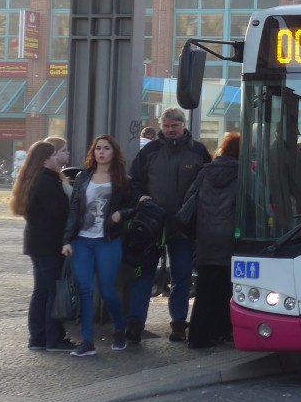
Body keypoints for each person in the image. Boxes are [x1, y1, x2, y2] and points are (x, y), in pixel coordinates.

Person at [128, 107, 211, 343]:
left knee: (182, 276)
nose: (170, 130)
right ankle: (135, 324)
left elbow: (208, 184)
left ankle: (178, 324)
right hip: (152, 224)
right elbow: (134, 183)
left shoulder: (198, 152)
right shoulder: (150, 151)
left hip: (184, 226)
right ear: (161, 126)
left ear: (183, 125)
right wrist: (141, 199)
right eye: (166, 126)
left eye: (174, 126)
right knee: (144, 274)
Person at [63, 135, 132, 357]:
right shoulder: (84, 177)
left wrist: (122, 214)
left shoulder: (122, 179)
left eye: (106, 148)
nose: (101, 152)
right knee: (84, 289)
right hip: (81, 240)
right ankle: (87, 342)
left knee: (107, 290)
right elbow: (74, 209)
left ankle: (120, 327)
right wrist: (66, 239)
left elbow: (135, 206)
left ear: (114, 152)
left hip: (107, 241)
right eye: (98, 149)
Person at [8, 139, 75, 352]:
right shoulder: (47, 182)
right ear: (46, 159)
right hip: (49, 243)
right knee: (52, 291)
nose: (59, 158)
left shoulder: (32, 179)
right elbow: (59, 213)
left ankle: (37, 337)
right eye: (55, 154)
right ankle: (53, 337)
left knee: (42, 291)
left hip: (36, 242)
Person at [183, 132, 240, 349]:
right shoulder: (242, 173)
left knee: (205, 287)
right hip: (229, 237)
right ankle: (221, 330)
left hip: (206, 236)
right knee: (226, 287)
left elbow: (190, 197)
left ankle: (197, 335)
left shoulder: (206, 172)